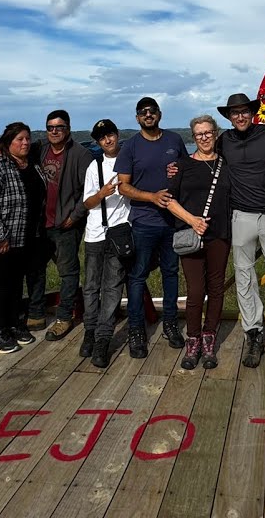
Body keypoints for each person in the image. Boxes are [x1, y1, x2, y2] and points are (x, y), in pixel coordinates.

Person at [216, 93, 265, 369]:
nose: (240, 117)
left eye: (244, 112)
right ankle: (253, 333)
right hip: (241, 215)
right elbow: (204, 158)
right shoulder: (223, 140)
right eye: (234, 113)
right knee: (244, 277)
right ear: (228, 117)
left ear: (252, 113)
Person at [115, 96, 187, 358]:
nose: (148, 115)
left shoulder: (174, 140)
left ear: (159, 114)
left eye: (152, 111)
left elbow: (185, 170)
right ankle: (136, 330)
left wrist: (177, 171)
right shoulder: (130, 146)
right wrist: (152, 196)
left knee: (170, 273)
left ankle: (170, 323)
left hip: (171, 221)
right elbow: (122, 186)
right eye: (143, 112)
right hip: (143, 221)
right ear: (137, 118)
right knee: (137, 277)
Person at [166, 115, 231, 370]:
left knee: (216, 289)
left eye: (208, 132)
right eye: (199, 134)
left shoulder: (226, 164)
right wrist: (192, 220)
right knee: (195, 291)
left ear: (215, 133)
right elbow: (169, 200)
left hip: (220, 235)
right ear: (193, 138)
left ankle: (209, 339)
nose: (204, 137)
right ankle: (192, 339)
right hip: (191, 234)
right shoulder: (181, 166)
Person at [0, 122, 46, 354]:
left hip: (26, 236)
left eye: (27, 138)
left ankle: (15, 324)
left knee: (16, 284)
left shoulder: (32, 164)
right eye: (19, 139)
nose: (25, 143)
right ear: (8, 143)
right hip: (2, 238)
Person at [27, 109, 93, 341]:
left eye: (59, 127)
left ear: (68, 129)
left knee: (68, 273)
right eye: (50, 127)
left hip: (66, 223)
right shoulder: (39, 149)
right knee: (35, 269)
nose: (54, 131)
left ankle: (65, 316)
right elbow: (13, 148)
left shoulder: (81, 155)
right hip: (40, 224)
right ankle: (35, 312)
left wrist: (75, 217)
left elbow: (90, 192)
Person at [79, 119, 129, 368]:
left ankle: (102, 338)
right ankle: (89, 330)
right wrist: (102, 193)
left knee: (112, 287)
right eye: (102, 138)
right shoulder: (94, 166)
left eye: (110, 135)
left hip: (120, 233)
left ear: (117, 135)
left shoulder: (129, 161)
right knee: (90, 286)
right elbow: (87, 203)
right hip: (95, 233)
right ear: (98, 142)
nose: (107, 140)